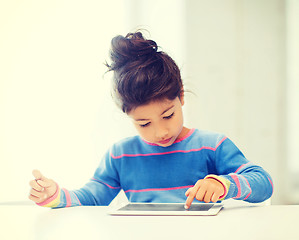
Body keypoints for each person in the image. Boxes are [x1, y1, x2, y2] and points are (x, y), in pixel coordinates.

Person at [28, 31, 273, 209]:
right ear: (128, 116)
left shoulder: (212, 146)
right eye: (143, 123)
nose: (161, 132)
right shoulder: (120, 155)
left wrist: (224, 184)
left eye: (168, 115)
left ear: (181, 97)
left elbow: (263, 183)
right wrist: (56, 196)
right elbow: (92, 197)